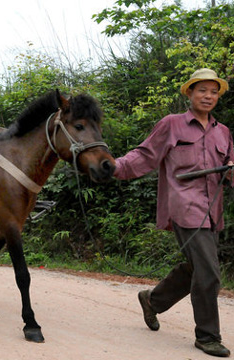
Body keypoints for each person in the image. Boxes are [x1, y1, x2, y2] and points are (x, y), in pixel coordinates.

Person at [114, 68, 231, 357]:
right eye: (202, 90)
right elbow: (145, 156)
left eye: (214, 91)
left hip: (212, 211)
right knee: (209, 272)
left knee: (197, 267)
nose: (208, 96)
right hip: (185, 206)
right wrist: (113, 167)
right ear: (189, 93)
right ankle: (207, 336)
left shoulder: (223, 132)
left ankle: (153, 301)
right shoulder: (171, 124)